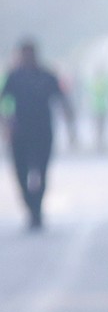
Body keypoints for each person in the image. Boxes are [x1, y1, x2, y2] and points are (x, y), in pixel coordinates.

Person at [2, 39, 73, 232]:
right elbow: (3, 100)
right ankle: (30, 207)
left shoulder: (46, 75)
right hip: (20, 134)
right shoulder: (13, 77)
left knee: (41, 173)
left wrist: (71, 128)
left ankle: (37, 209)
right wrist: (6, 123)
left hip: (42, 133)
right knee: (21, 173)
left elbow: (61, 99)